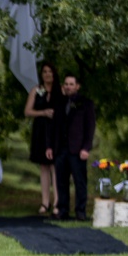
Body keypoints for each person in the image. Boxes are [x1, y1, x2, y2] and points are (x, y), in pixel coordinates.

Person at [47, 74, 96, 220]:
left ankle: (80, 211)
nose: (68, 86)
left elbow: (90, 127)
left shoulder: (86, 104)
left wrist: (86, 148)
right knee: (61, 181)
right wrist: (49, 146)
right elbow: (52, 126)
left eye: (71, 84)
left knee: (79, 181)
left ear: (77, 86)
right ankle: (63, 210)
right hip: (60, 148)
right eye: (66, 84)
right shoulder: (58, 103)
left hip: (77, 149)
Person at [24, 62, 58, 216]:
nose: (47, 74)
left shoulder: (60, 90)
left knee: (55, 167)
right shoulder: (36, 90)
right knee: (43, 167)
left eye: (50, 71)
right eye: (44, 72)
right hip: (40, 130)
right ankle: (45, 201)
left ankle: (58, 201)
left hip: (55, 131)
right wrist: (43, 112)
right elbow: (28, 111)